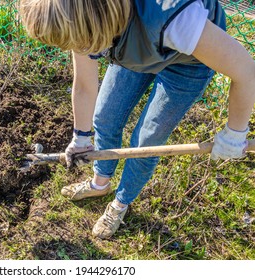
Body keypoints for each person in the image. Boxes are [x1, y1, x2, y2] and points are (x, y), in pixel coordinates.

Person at [20, 0, 255, 239]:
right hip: (131, 39)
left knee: (146, 142)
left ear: (95, 21)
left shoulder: (175, 19)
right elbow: (84, 84)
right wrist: (81, 137)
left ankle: (120, 203)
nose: (75, 48)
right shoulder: (80, 14)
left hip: (188, 61)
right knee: (105, 116)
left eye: (77, 42)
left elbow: (246, 71)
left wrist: (235, 134)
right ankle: (100, 184)